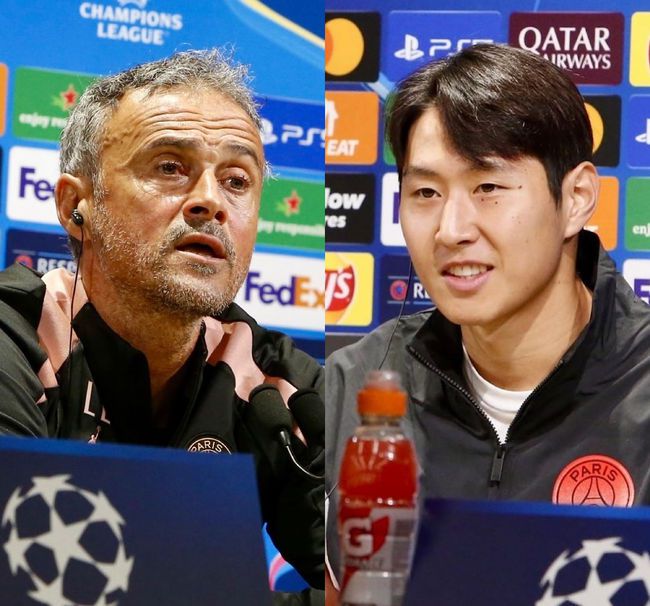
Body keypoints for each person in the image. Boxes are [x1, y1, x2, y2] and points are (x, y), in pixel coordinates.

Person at [325, 43, 650, 592]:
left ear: (576, 198)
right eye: (425, 192)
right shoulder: (350, 385)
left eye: (488, 187)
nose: (451, 229)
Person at [0, 50, 324, 594]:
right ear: (76, 206)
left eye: (237, 180)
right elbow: (22, 582)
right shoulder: (16, 341)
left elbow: (375, 578)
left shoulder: (274, 383)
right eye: (170, 167)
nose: (211, 202)